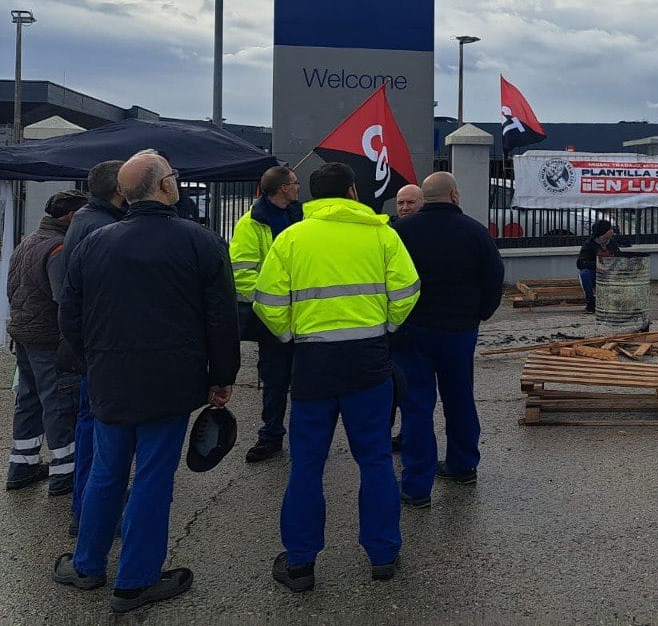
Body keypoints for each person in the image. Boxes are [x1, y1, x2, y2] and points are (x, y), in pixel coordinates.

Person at [57, 150, 239, 614]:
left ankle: (88, 565)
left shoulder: (93, 243)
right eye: (173, 176)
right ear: (164, 187)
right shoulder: (201, 242)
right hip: (169, 383)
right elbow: (222, 319)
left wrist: (91, 363)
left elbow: (70, 318)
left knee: (106, 471)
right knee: (153, 477)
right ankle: (135, 581)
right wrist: (223, 377)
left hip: (110, 379)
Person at [254, 161, 420, 592]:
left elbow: (267, 301)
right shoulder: (382, 234)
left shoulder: (291, 238)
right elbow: (408, 289)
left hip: (312, 364)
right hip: (368, 360)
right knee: (376, 459)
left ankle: (301, 563)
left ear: (311, 194)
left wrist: (291, 334)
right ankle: (383, 553)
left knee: (307, 464)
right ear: (351, 191)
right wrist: (385, 327)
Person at [392, 172, 503, 505]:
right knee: (460, 397)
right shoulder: (475, 232)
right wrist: (479, 314)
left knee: (416, 405)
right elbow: (494, 277)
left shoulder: (399, 233)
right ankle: (463, 464)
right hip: (459, 330)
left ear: (425, 198)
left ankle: (416, 486)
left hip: (411, 331)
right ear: (454, 195)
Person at [52, 160, 127, 535]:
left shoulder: (85, 219)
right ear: (120, 189)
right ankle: (92, 517)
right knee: (101, 438)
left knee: (89, 430)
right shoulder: (105, 228)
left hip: (87, 349)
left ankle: (85, 512)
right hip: (100, 351)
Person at [6, 190, 88, 496]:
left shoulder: (29, 240)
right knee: (58, 403)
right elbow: (63, 298)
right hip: (47, 338)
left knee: (28, 400)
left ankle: (22, 466)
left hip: (24, 332)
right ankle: (63, 473)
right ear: (69, 217)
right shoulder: (58, 247)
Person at [229, 164, 302, 463]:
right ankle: (270, 435)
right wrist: (275, 301)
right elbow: (241, 276)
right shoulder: (251, 224)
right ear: (283, 188)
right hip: (272, 319)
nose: (299, 187)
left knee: (304, 381)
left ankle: (302, 438)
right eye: (295, 183)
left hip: (303, 314)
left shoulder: (301, 217)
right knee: (275, 379)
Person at [576, 220, 628, 314]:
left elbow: (620, 259)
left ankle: (619, 303)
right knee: (584, 274)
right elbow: (580, 263)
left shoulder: (612, 243)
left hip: (610, 274)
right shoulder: (589, 245)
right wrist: (599, 264)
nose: (612, 231)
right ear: (603, 231)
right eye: (609, 229)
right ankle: (591, 302)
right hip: (595, 273)